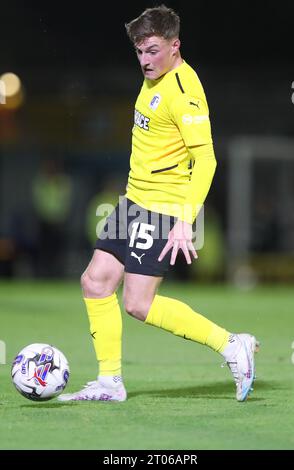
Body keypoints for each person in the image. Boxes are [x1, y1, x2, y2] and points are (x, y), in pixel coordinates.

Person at [58, 5, 258, 403]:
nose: (145, 61)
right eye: (139, 52)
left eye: (152, 50)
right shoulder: (154, 78)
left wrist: (186, 220)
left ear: (174, 45)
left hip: (163, 207)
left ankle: (232, 345)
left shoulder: (184, 91)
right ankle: (110, 382)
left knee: (137, 303)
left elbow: (207, 159)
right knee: (95, 282)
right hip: (133, 200)